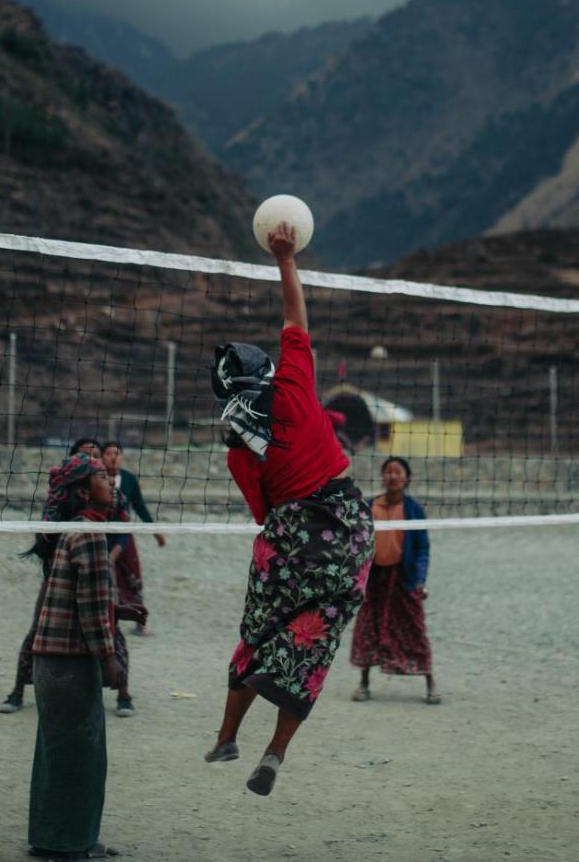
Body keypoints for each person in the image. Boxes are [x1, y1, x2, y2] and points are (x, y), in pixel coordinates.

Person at [204, 220, 375, 797]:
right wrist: (284, 258)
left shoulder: (236, 450)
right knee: (313, 639)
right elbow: (295, 318)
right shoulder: (295, 385)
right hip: (344, 527)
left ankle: (227, 736)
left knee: (259, 630)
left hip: (287, 535)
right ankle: (275, 752)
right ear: (267, 372)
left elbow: (264, 513)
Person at [26, 451, 141, 859]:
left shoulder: (74, 530)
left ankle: (48, 839)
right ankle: (75, 844)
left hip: (51, 659)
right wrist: (110, 659)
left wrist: (119, 609)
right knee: (81, 756)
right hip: (71, 662)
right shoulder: (90, 536)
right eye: (99, 477)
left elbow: (80, 597)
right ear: (81, 491)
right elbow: (91, 610)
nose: (110, 480)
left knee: (56, 754)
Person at [350, 456, 439, 704]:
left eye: (398, 472)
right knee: (368, 628)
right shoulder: (369, 506)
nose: (392, 476)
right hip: (374, 579)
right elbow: (356, 543)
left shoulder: (414, 510)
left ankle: (430, 685)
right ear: (383, 477)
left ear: (407, 478)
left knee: (415, 628)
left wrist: (420, 579)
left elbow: (422, 549)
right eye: (388, 472)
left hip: (404, 578)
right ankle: (364, 684)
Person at [102, 440, 165, 645]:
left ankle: (140, 622)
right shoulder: (96, 478)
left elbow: (140, 507)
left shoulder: (128, 479)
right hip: (101, 534)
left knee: (133, 577)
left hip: (124, 534)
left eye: (117, 453)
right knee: (106, 578)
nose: (114, 457)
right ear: (102, 457)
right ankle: (108, 622)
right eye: (109, 453)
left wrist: (156, 533)